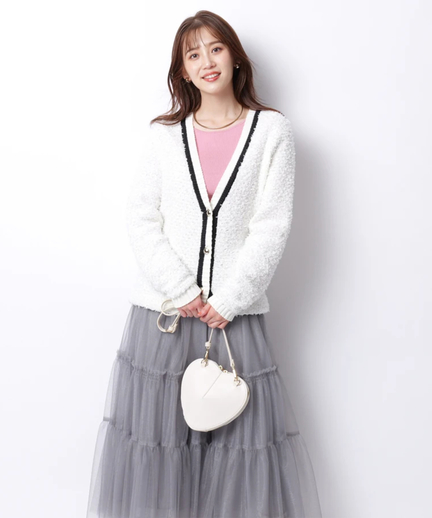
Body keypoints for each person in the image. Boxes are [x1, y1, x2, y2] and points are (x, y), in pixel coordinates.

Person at [86, 9, 322, 518]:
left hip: (235, 322)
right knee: (159, 455)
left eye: (215, 48)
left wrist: (229, 299)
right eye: (193, 55)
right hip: (165, 321)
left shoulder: (272, 131)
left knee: (241, 453)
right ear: (183, 71)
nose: (206, 61)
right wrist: (184, 290)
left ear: (235, 57)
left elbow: (272, 226)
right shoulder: (163, 136)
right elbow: (141, 218)